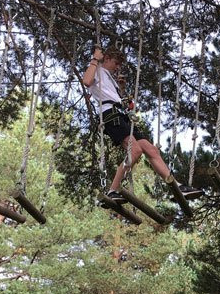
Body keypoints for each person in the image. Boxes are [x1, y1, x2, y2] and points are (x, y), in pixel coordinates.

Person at [83, 45, 204, 203]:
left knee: (151, 150)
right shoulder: (97, 69)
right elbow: (86, 81)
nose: (117, 67)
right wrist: (95, 59)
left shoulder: (108, 77)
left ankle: (177, 186)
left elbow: (113, 96)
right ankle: (112, 190)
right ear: (106, 59)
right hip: (110, 115)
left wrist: (122, 90)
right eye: (116, 63)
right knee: (135, 151)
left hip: (120, 114)